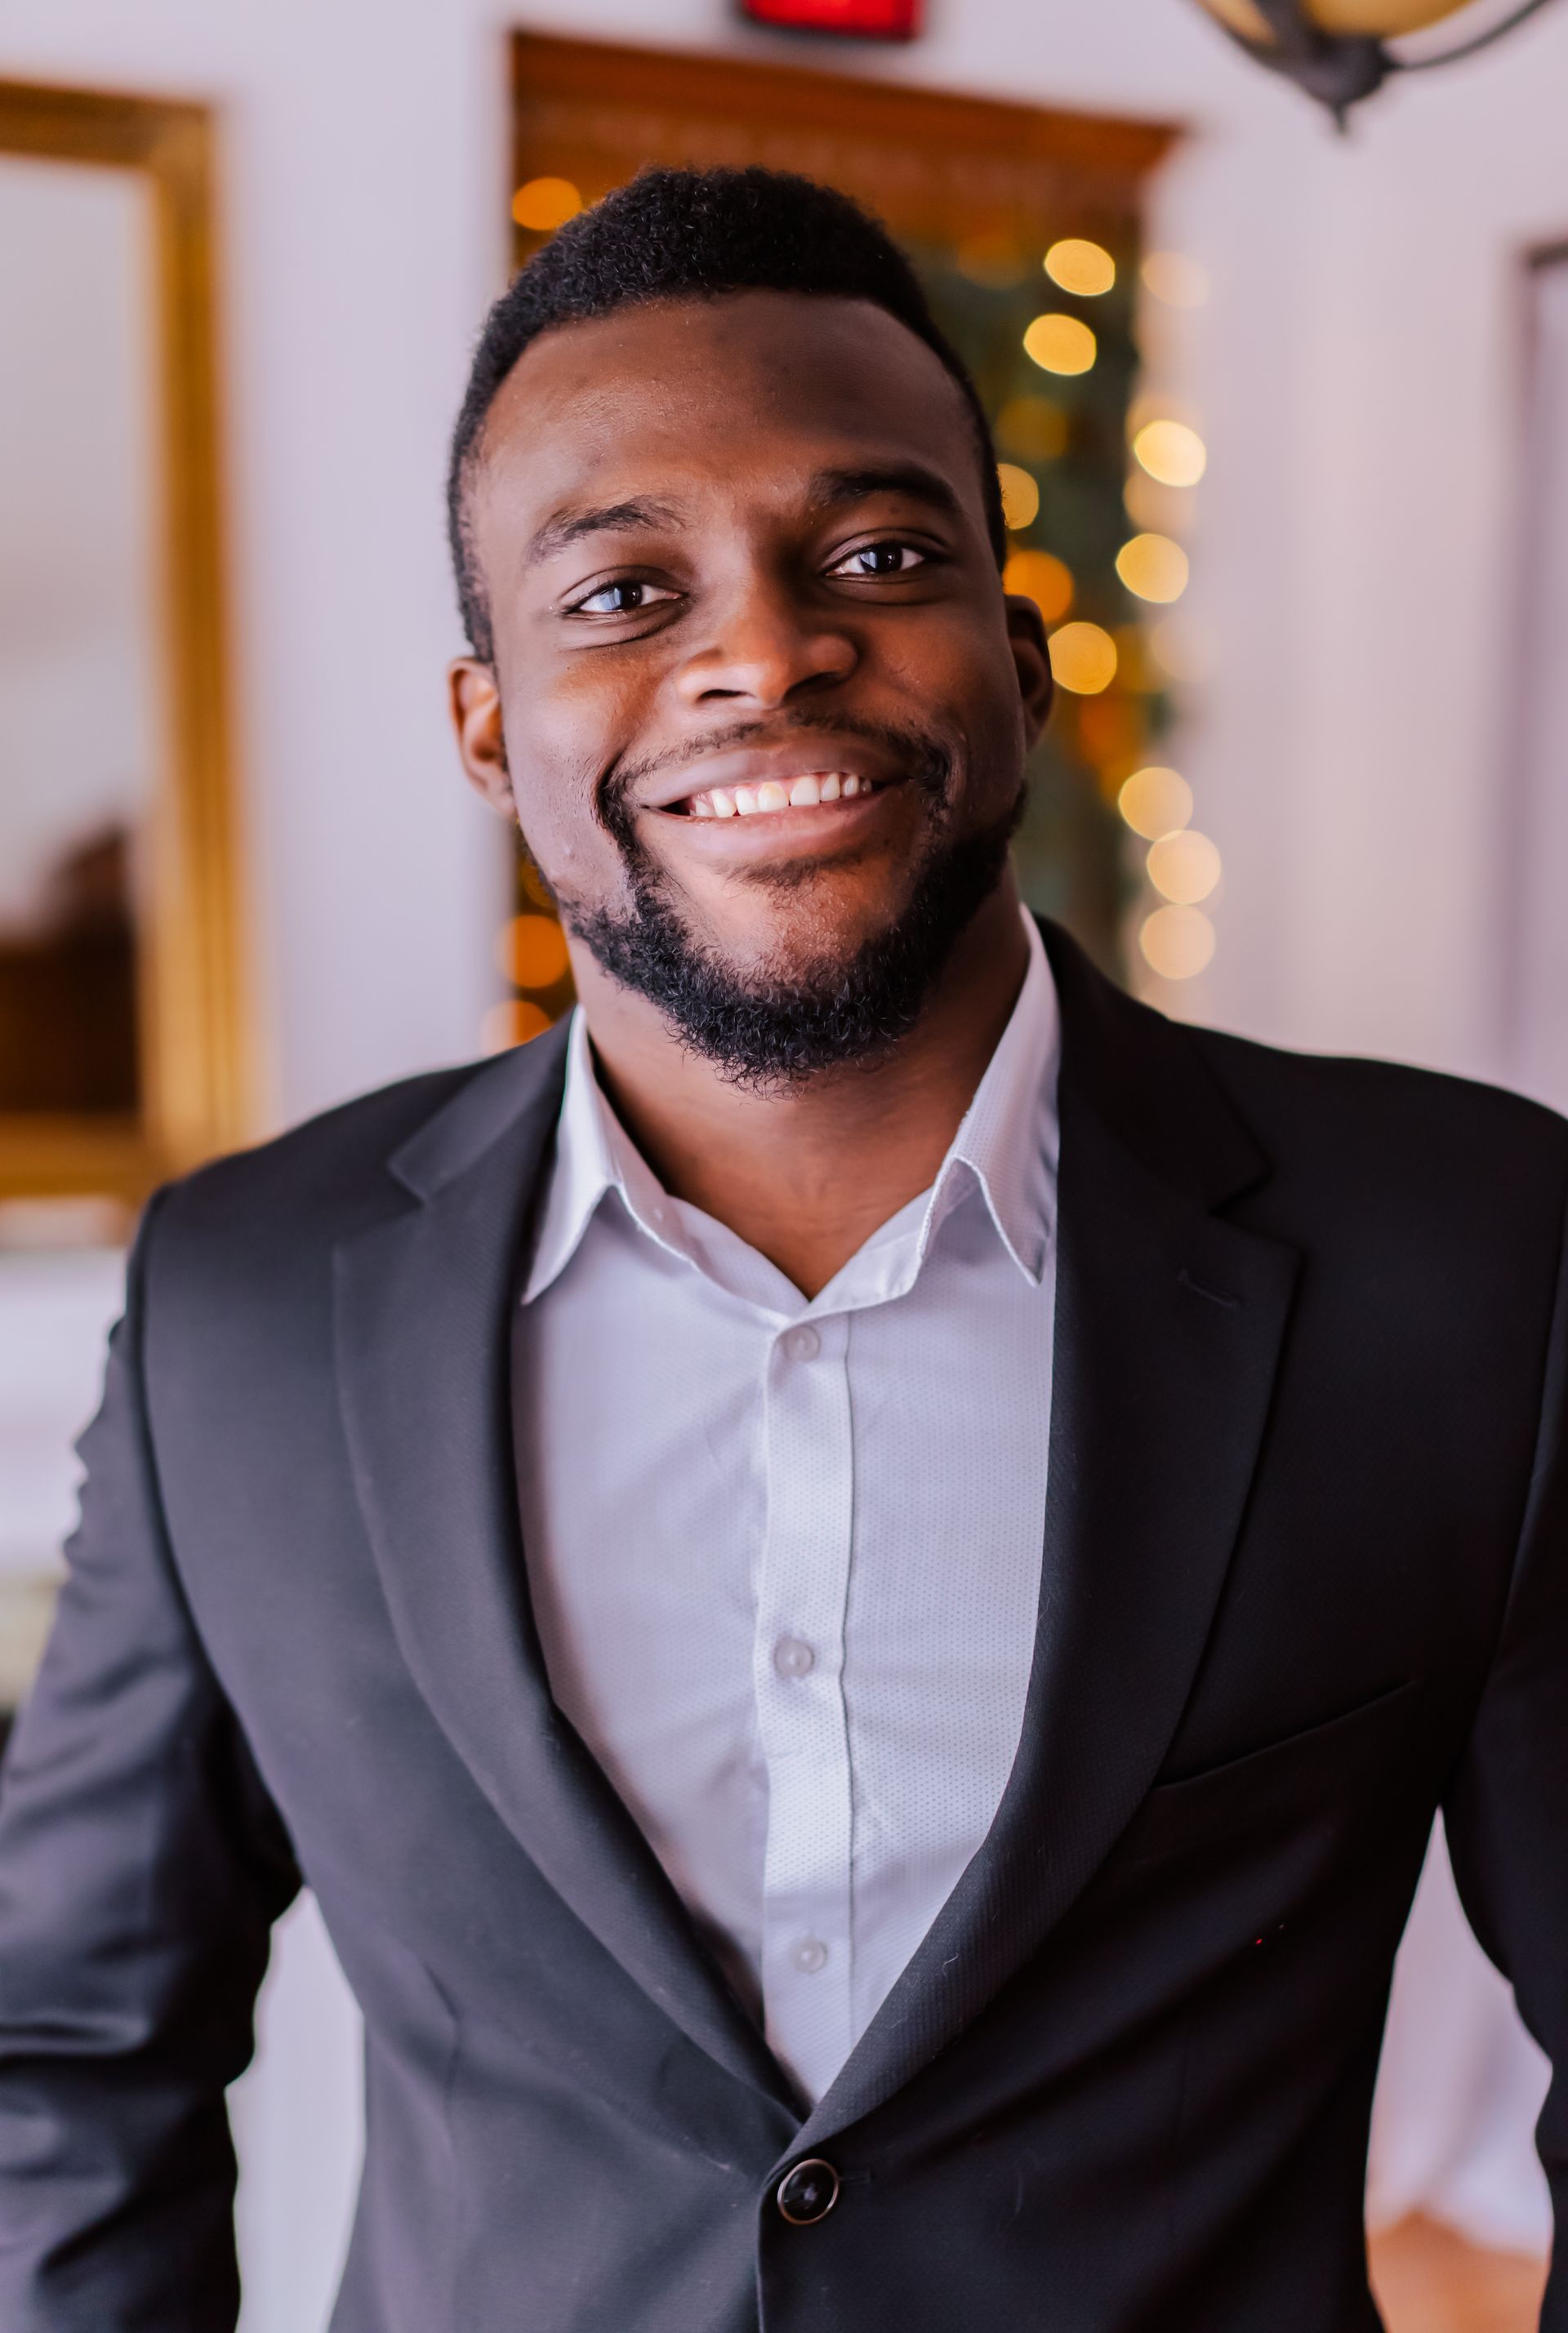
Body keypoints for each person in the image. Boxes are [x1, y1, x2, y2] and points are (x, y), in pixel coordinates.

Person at [0, 165, 1563, 2333]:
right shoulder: (241, 1308)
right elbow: (66, 2058)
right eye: (624, 592)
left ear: (1017, 665)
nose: (762, 645)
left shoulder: (1471, 1256)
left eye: (880, 554)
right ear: (489, 730)